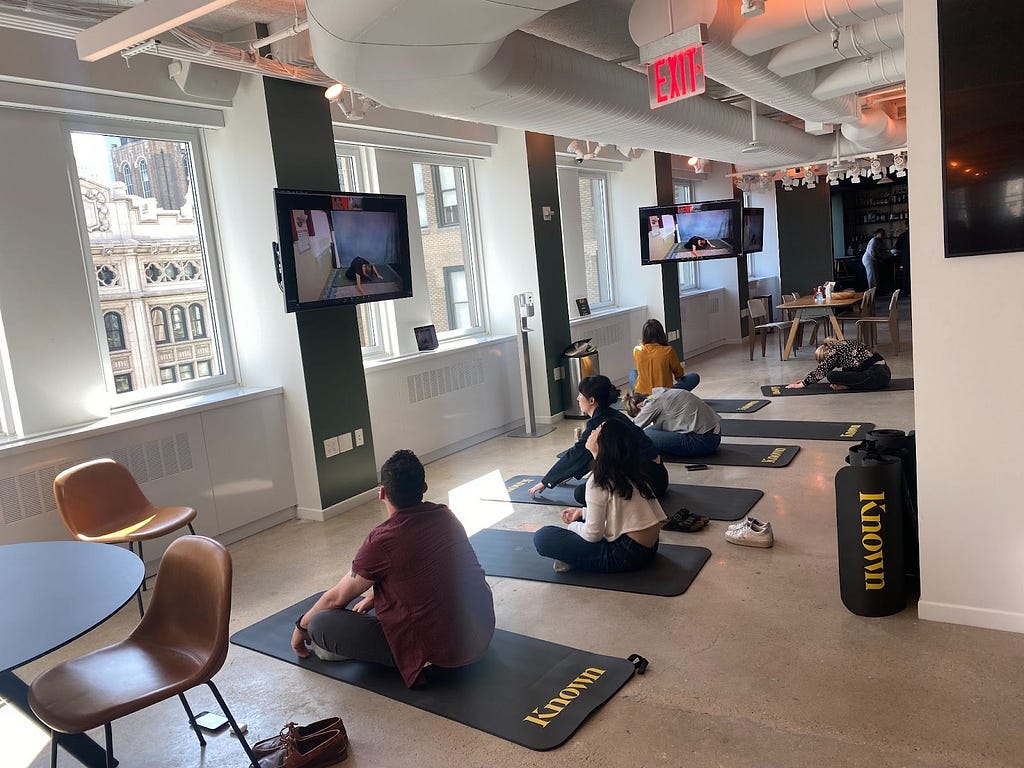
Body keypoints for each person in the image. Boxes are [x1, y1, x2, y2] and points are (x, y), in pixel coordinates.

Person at [291, 449, 495, 688]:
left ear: (382, 493)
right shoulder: (446, 515)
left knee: (321, 624)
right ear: (425, 487)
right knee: (372, 599)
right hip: (481, 634)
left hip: (440, 660)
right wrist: (375, 597)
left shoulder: (382, 540)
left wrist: (300, 627)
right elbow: (432, 572)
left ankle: (398, 657)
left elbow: (335, 599)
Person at [533, 418, 667, 573]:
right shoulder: (627, 468)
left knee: (543, 537)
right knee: (581, 517)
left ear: (604, 443)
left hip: (627, 554)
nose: (592, 432)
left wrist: (572, 527)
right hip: (650, 547)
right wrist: (582, 512)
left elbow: (592, 535)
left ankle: (575, 559)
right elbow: (618, 510)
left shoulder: (598, 480)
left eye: (598, 430)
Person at [528, 375, 668, 505]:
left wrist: (546, 481)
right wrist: (567, 473)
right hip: (658, 477)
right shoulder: (615, 415)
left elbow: (577, 454)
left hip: (648, 484)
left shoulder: (600, 424)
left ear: (591, 400)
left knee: (583, 493)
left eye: (580, 395)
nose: (577, 398)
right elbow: (593, 456)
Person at [627, 386, 721, 458]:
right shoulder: (665, 393)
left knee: (646, 434)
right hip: (714, 433)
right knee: (652, 430)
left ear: (640, 406)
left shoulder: (652, 403)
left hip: (705, 441)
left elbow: (632, 428)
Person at [786, 337, 891, 391]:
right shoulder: (843, 345)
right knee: (845, 372)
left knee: (831, 375)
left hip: (876, 376)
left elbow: (822, 370)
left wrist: (803, 383)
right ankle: (848, 386)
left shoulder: (833, 352)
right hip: (885, 372)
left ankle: (848, 387)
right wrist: (806, 379)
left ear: (825, 354)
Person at [629, 318, 699, 398]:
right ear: (661, 334)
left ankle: (638, 396)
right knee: (694, 377)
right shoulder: (668, 351)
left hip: (642, 396)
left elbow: (640, 369)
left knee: (633, 373)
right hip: (664, 395)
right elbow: (679, 374)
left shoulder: (637, 350)